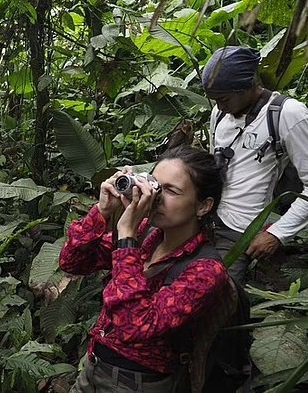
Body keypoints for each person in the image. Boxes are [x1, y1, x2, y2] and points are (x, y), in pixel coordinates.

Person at [60, 146, 233, 393]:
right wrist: (102, 211)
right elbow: (73, 262)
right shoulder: (146, 234)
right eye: (155, 186)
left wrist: (126, 240)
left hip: (137, 383)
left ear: (203, 206)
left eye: (171, 191)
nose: (156, 197)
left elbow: (134, 325)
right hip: (93, 367)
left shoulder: (206, 270)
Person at [202, 46, 308, 284]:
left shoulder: (287, 114)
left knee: (217, 298)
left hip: (241, 232)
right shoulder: (219, 115)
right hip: (206, 219)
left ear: (248, 85)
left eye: (224, 99)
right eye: (215, 100)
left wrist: (277, 234)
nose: (219, 106)